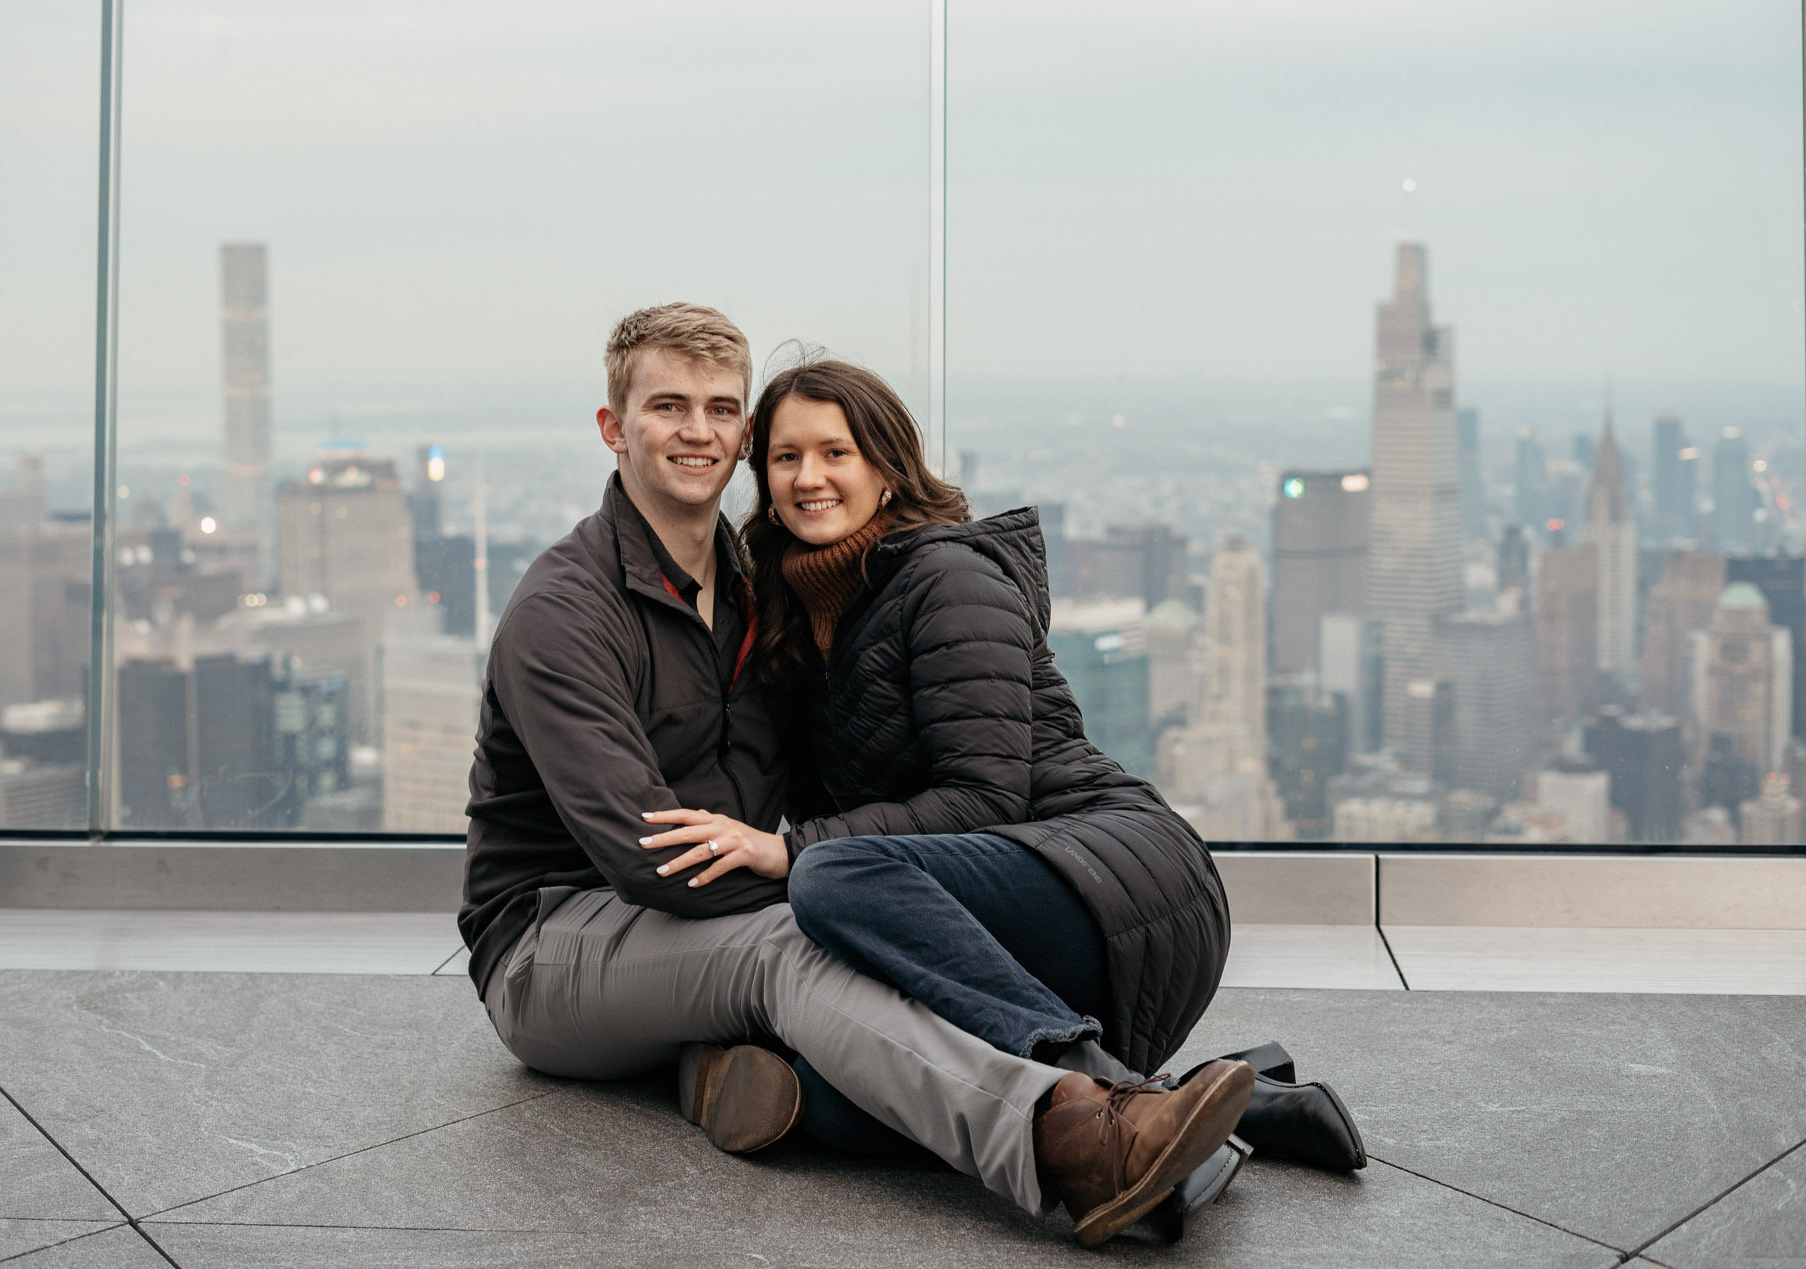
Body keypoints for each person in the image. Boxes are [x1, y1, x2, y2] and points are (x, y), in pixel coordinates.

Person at [461, 305, 1252, 1247]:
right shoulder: (565, 611)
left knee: (832, 1079)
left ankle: (725, 1068)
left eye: (721, 409)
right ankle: (1078, 1137)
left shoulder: (763, 595)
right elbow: (649, 860)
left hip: (710, 930)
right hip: (553, 939)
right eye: (667, 406)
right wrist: (825, 891)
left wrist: (835, 884)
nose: (697, 430)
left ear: (741, 439)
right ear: (613, 427)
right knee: (798, 946)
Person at [640, 357, 1360, 1229]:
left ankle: (1116, 1101)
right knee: (844, 1089)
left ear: (887, 467)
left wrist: (791, 850)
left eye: (836, 452)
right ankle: (1204, 1104)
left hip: (1113, 879)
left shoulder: (946, 575)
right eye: (786, 458)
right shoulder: (791, 617)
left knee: (827, 877)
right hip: (980, 920)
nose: (808, 477)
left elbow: (984, 800)